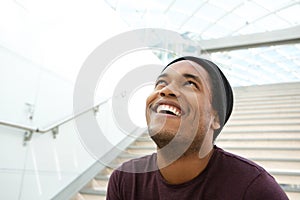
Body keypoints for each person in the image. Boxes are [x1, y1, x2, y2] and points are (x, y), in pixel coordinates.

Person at [106, 56, 288, 200]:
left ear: (216, 118)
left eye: (190, 84)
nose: (166, 90)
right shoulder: (125, 180)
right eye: (161, 83)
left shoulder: (254, 190)